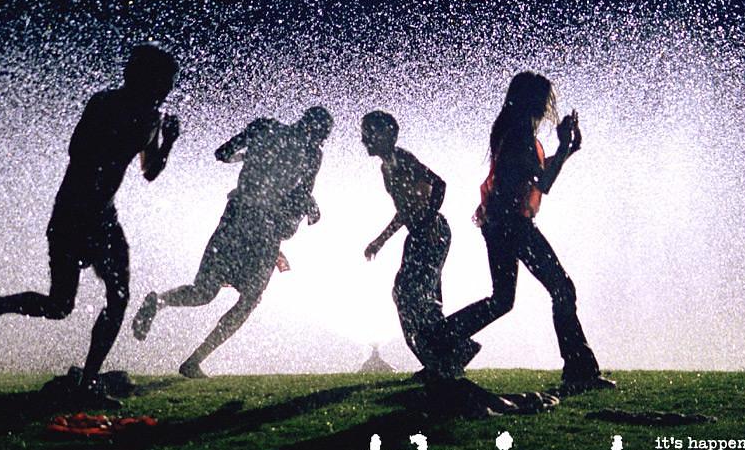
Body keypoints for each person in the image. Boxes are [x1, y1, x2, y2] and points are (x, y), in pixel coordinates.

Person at [0, 45, 180, 407]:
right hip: (72, 213)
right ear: (141, 77)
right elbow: (76, 150)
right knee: (60, 305)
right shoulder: (106, 104)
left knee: (119, 297)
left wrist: (168, 143)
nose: (167, 90)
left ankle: (88, 383)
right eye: (163, 82)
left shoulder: (152, 118)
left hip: (105, 217)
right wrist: (120, 137)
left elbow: (149, 172)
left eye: (170, 84)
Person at [427, 72, 614, 390]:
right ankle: (579, 371)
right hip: (512, 225)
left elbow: (535, 173)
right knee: (562, 289)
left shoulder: (514, 132)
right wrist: (564, 146)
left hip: (498, 224)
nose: (547, 106)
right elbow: (544, 183)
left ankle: (440, 337)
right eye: (544, 99)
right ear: (532, 101)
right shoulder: (519, 135)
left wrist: (568, 150)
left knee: (503, 299)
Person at [132, 106, 333, 378]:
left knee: (203, 291)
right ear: (315, 131)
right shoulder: (312, 153)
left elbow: (222, 153)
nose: (320, 142)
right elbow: (302, 194)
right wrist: (309, 209)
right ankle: (194, 361)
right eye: (322, 136)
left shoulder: (264, 127)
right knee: (249, 300)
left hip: (235, 216)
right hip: (265, 227)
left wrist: (246, 157)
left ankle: (158, 301)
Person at [360, 110, 478, 379]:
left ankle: (449, 354)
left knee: (411, 295)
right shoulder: (387, 166)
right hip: (419, 233)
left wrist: (430, 219)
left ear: (386, 134)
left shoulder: (402, 159)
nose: (364, 140)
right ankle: (444, 359)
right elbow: (405, 210)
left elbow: (439, 184)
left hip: (432, 232)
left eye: (369, 133)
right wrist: (380, 241)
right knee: (412, 296)